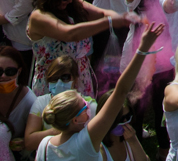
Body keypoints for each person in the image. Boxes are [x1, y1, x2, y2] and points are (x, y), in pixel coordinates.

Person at [37, 24, 165, 161]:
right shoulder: (86, 141)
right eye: (84, 107)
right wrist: (142, 49)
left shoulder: (44, 145)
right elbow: (120, 92)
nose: (88, 108)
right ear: (75, 120)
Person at [26, 0, 134, 96]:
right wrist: (108, 22)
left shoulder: (72, 4)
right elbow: (69, 34)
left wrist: (124, 18)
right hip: (54, 80)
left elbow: (102, 13)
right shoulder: (38, 16)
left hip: (80, 78)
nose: (71, 0)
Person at [24, 55, 95, 153]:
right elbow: (29, 142)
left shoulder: (88, 105)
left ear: (75, 79)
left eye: (65, 77)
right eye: (54, 78)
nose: (59, 82)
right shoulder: (40, 102)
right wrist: (61, 129)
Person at [0, 45, 37, 152]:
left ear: (19, 71)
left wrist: (24, 142)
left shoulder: (30, 101)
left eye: (10, 71)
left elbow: (35, 134)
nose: (4, 76)